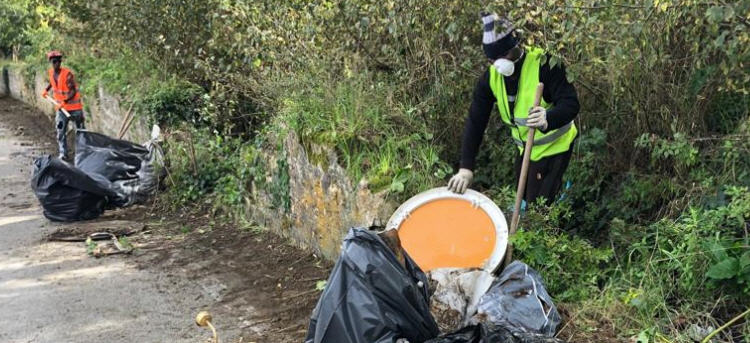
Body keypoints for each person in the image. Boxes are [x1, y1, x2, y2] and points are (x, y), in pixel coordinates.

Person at [447, 13, 580, 206]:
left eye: (504, 55)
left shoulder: (545, 64)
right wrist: (466, 168)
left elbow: (570, 103)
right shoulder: (491, 78)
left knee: (539, 206)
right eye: (493, 59)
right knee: (524, 198)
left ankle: (556, 219)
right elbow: (476, 121)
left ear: (516, 46)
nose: (500, 63)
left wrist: (548, 118)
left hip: (555, 147)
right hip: (525, 149)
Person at [41, 50, 85, 160]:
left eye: (58, 61)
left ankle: (83, 153)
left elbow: (73, 91)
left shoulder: (67, 74)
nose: (56, 64)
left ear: (61, 62)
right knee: (60, 131)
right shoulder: (51, 73)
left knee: (80, 132)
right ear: (51, 62)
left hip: (74, 109)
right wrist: (46, 90)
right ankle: (63, 153)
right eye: (54, 61)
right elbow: (52, 82)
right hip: (61, 110)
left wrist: (64, 102)